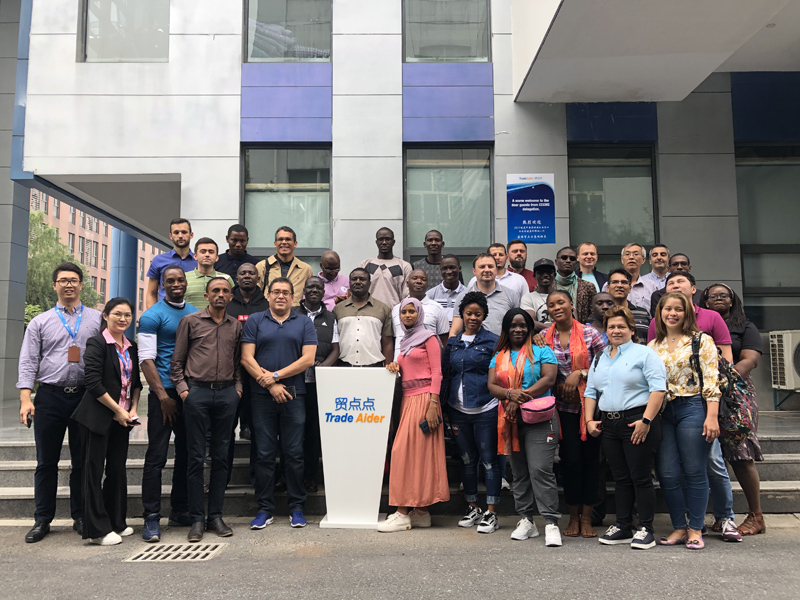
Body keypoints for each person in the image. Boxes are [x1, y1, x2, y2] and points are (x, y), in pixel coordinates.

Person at [647, 270, 738, 542]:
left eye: (678, 309)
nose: (672, 313)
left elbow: (712, 381)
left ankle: (696, 529)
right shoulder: (653, 345)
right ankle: (679, 526)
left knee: (695, 469)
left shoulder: (702, 340)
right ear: (659, 313)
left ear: (687, 312)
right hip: (664, 412)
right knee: (668, 472)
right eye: (667, 309)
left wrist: (712, 417)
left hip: (693, 408)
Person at [18, 262, 103, 544]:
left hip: (84, 397)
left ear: (81, 285)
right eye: (63, 280)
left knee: (82, 461)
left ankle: (80, 516)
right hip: (50, 397)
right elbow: (29, 361)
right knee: (46, 462)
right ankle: (43, 519)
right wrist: (25, 399)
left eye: (74, 280)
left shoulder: (96, 319)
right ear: (55, 285)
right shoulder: (39, 322)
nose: (69, 285)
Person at [584, 306, 667, 550]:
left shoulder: (645, 354)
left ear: (631, 329)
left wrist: (647, 421)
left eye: (621, 326)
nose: (616, 330)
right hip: (609, 423)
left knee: (640, 477)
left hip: (637, 420)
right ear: (606, 330)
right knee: (620, 478)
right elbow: (591, 391)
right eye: (611, 327)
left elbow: (658, 389)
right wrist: (589, 420)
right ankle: (622, 525)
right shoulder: (600, 357)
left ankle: (645, 528)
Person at [242, 277, 317, 530]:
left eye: (285, 292)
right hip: (262, 397)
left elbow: (308, 359)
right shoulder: (255, 320)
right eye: (276, 292)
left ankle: (297, 507)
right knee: (264, 454)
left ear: (293, 297)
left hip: (294, 395)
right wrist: (271, 385)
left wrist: (276, 376)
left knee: (294, 453)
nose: (281, 296)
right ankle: (264, 509)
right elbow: (246, 358)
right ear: (268, 295)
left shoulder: (304, 322)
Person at [171, 277, 243, 542]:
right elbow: (176, 361)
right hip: (197, 393)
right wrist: (184, 391)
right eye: (216, 291)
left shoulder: (236, 326)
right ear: (207, 294)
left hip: (226, 394)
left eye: (225, 291)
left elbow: (238, 362)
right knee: (195, 457)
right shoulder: (190, 322)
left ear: (231, 296)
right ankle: (197, 519)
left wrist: (237, 389)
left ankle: (215, 515)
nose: (221, 295)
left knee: (222, 457)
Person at [70, 298, 141, 546]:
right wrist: (117, 410)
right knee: (93, 471)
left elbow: (135, 384)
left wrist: (131, 409)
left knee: (117, 470)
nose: (123, 319)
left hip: (122, 419)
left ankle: (116, 522)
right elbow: (93, 383)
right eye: (117, 314)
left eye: (128, 315)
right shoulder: (98, 343)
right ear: (105, 316)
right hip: (97, 418)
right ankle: (97, 530)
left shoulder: (131, 346)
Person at [488, 309, 561, 547]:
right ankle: (526, 520)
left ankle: (550, 522)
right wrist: (510, 394)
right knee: (518, 473)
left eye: (522, 325)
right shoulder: (499, 355)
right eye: (513, 325)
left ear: (530, 328)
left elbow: (549, 380)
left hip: (539, 418)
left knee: (540, 469)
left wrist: (519, 399)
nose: (518, 329)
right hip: (510, 421)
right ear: (506, 329)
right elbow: (491, 386)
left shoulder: (542, 350)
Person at [138, 265, 199, 542]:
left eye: (180, 280)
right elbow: (146, 359)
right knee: (157, 457)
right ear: (162, 285)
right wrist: (163, 396)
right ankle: (151, 517)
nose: (176, 284)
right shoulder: (151, 317)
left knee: (187, 454)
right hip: (163, 395)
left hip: (189, 393)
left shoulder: (195, 314)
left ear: (186, 283)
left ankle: (180, 509)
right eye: (170, 281)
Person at [378, 298, 449, 532]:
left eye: (412, 312)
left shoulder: (429, 338)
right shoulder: (407, 340)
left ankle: (402, 512)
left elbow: (437, 373)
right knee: (414, 454)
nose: (407, 315)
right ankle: (421, 512)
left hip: (425, 400)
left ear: (419, 314)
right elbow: (406, 368)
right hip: (408, 399)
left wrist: (432, 405)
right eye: (404, 312)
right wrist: (393, 366)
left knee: (402, 453)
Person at [701, 283, 766, 536]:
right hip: (708, 391)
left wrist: (725, 376)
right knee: (716, 456)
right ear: (705, 302)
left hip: (737, 393)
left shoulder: (745, 326)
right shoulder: (703, 325)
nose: (718, 299)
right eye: (713, 296)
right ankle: (723, 515)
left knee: (741, 453)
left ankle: (756, 515)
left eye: (723, 295)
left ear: (732, 300)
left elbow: (750, 359)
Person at [543, 290, 606, 538]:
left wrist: (580, 373)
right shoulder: (542, 338)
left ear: (571, 304)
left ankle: (588, 517)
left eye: (561, 302)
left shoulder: (591, 334)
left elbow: (606, 365)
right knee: (570, 464)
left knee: (592, 462)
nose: (556, 307)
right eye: (551, 304)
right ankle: (572, 517)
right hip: (562, 411)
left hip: (590, 409)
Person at [440, 292, 501, 533]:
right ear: (462, 315)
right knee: (467, 461)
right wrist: (443, 407)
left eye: (478, 314)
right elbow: (446, 375)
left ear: (484, 315)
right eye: (469, 313)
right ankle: (473, 507)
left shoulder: (493, 341)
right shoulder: (453, 343)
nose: (473, 317)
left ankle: (492, 512)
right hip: (458, 410)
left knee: (488, 461)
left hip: (486, 408)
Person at [293, 276, 340, 493]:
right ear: (303, 290)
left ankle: (310, 476)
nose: (314, 290)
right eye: (310, 286)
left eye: (318, 287)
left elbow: (335, 350)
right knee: (292, 431)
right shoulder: (292, 314)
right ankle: (289, 475)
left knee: (312, 431)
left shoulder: (331, 317)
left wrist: (323, 368)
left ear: (324, 292)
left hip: (316, 385)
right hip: (292, 382)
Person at [225, 262, 269, 485]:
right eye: (243, 273)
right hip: (230, 376)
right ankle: (222, 477)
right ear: (237, 277)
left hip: (258, 375)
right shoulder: (227, 302)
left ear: (258, 278)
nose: (247, 276)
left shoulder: (267, 304)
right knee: (226, 428)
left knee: (257, 429)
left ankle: (255, 476)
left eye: (252, 273)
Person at [450, 253, 522, 337]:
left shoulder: (511, 295)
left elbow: (517, 327)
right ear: (474, 271)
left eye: (490, 266)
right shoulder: (463, 297)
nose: (487, 270)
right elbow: (455, 331)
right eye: (482, 267)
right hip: (473, 348)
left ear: (496, 270)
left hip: (502, 348)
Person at [334, 268, 394, 367]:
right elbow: (334, 342)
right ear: (349, 283)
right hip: (344, 366)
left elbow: (387, 342)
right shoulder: (338, 309)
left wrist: (387, 369)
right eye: (354, 279)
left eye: (362, 279)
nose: (358, 282)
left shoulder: (383, 309)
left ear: (369, 283)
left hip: (374, 367)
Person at [391, 269, 449, 360]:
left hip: (425, 366)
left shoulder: (437, 308)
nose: (419, 281)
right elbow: (393, 339)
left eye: (423, 279)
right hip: (398, 366)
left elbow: (443, 341)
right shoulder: (396, 309)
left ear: (427, 284)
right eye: (414, 278)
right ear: (407, 283)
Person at [145, 218, 197, 310]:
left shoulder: (199, 261)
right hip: (165, 313)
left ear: (191, 235)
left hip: (193, 314)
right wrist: (152, 315)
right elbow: (151, 293)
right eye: (176, 233)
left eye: (184, 232)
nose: (180, 236)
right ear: (171, 236)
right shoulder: (158, 260)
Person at [256, 226, 313, 307]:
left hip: (296, 316)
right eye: (280, 239)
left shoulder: (305, 269)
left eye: (288, 239)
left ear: (295, 243)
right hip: (268, 315)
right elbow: (255, 295)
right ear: (275, 244)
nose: (284, 242)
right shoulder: (262, 266)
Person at [358, 227, 413, 308]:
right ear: (376, 242)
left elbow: (406, 295)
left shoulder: (404, 266)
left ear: (393, 242)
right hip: (369, 314)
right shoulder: (364, 265)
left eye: (387, 239)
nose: (384, 242)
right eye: (381, 239)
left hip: (393, 314)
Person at [601, 244, 659, 317]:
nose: (631, 257)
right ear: (622, 260)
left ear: (643, 260)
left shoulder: (651, 286)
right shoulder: (609, 285)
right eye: (627, 254)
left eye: (636, 254)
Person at [183, 237, 234, 308]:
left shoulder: (226, 279)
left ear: (217, 257)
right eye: (203, 251)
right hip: (190, 319)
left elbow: (232, 305)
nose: (207, 255)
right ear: (195, 256)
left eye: (211, 252)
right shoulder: (183, 278)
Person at [607, 268, 650, 343]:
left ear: (630, 288)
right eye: (615, 282)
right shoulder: (601, 314)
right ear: (608, 288)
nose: (619, 285)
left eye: (624, 282)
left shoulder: (643, 314)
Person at [554, 247, 594, 324]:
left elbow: (593, 314)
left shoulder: (588, 286)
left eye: (572, 259)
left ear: (576, 262)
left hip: (580, 331)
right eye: (564, 258)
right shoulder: (546, 285)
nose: (568, 261)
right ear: (556, 262)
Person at [425, 254, 466, 326]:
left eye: (452, 267)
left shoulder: (467, 294)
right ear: (440, 270)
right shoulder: (430, 295)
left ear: (459, 269)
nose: (449, 271)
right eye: (444, 268)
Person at [520, 258, 557, 332]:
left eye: (549, 272)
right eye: (540, 272)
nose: (545, 275)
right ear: (534, 276)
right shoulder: (528, 298)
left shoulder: (563, 296)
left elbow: (572, 320)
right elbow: (529, 321)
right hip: (538, 340)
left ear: (554, 275)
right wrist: (553, 327)